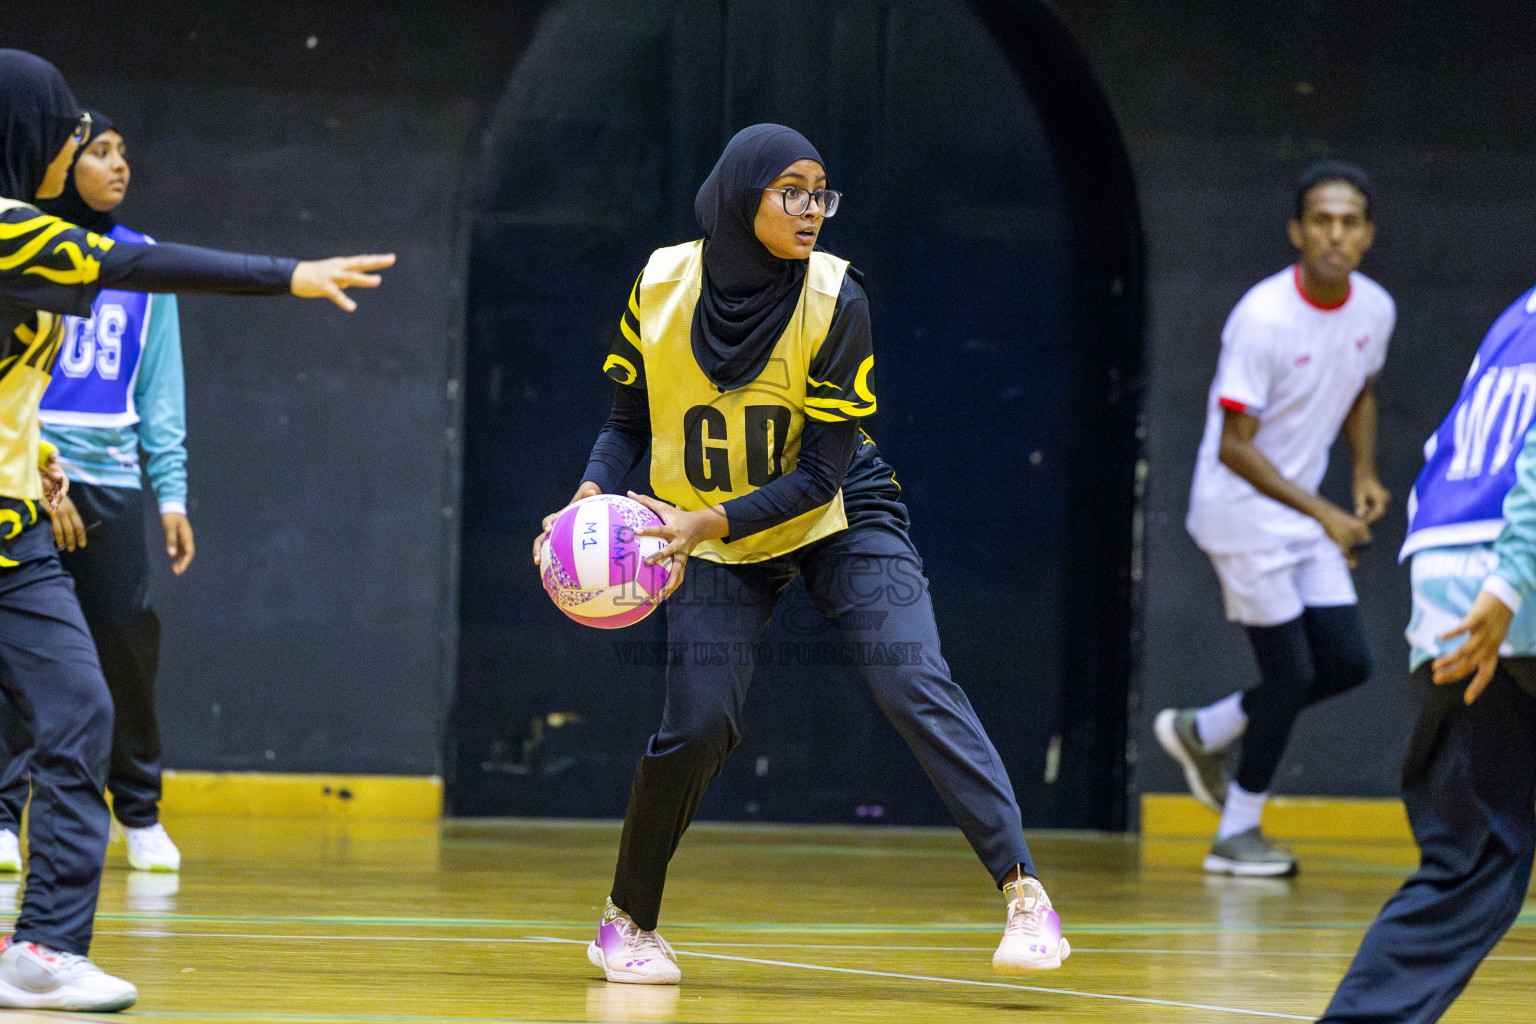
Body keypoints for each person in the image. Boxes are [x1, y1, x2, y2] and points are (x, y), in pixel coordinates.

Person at [534, 124, 1070, 986]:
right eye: (792, 190)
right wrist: (588, 497)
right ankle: (625, 923)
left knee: (912, 676)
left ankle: (1026, 894)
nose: (811, 208)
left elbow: (821, 476)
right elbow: (627, 421)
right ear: (741, 195)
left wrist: (705, 523)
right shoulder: (661, 281)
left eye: (821, 193)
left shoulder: (837, 298)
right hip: (706, 530)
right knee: (698, 725)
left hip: (839, 515)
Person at [0, 48, 393, 1011]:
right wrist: (289, 274)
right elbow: (137, 263)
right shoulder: (7, 229)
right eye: (66, 133)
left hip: (13, 537)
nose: (78, 151)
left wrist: (35, 453)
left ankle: (41, 950)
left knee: (82, 710)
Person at [1155, 160, 1395, 876]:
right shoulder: (1261, 317)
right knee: (1289, 675)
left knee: (1347, 663)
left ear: (1368, 236)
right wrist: (1328, 514)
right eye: (1322, 221)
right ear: (1297, 231)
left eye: (1349, 222)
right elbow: (1234, 447)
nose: (1335, 235)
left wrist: (1362, 473)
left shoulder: (1375, 309)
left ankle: (1206, 729)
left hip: (1305, 511)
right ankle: (1236, 836)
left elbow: (1361, 389)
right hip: (1240, 513)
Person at [1316, 283, 1536, 1023]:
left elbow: (1448, 448)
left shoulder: (1516, 317)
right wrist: (1509, 579)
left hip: (1443, 575)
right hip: (1510, 582)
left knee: (1468, 860)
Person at [0, 110, 189, 878]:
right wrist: (42, 470)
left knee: (124, 643)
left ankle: (138, 811)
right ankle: (4, 816)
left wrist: (172, 494)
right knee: (20, 654)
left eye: (122, 152)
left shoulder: (140, 260)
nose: (117, 166)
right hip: (29, 478)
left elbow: (160, 388)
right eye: (98, 151)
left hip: (110, 483)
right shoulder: (23, 245)